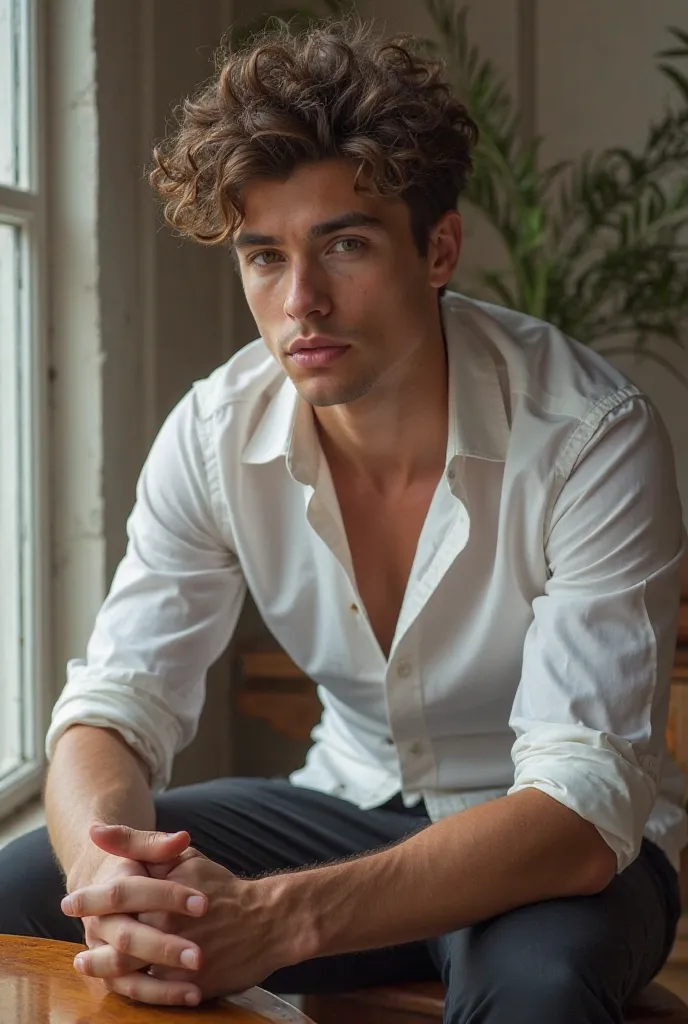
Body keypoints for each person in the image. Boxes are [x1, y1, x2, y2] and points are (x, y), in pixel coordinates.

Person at [1, 16, 686, 1023]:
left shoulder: (589, 437)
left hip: (548, 849)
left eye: (345, 245)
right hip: (346, 806)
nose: (301, 303)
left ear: (439, 246)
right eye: (265, 257)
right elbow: (113, 704)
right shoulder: (214, 432)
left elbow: (580, 810)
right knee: (26, 888)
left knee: (533, 994)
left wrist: (279, 918)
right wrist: (115, 880)